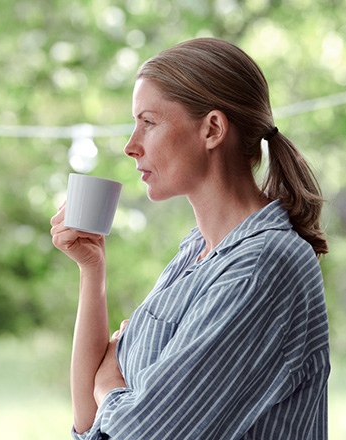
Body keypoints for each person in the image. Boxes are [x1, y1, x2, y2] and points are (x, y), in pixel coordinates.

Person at [50, 37, 330, 440]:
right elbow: (88, 424)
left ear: (213, 129)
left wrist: (108, 384)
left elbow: (142, 433)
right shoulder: (196, 252)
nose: (131, 146)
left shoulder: (262, 265)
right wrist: (92, 270)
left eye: (148, 122)